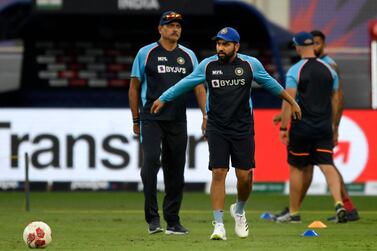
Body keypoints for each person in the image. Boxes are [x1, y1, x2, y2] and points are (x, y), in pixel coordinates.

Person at [150, 27, 302, 240]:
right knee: (219, 172)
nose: (220, 48)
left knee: (245, 176)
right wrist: (164, 97)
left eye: (225, 44)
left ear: (236, 46)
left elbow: (270, 83)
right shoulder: (208, 65)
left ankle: (239, 210)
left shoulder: (250, 64)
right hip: (217, 127)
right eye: (218, 44)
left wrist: (292, 102)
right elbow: (186, 83)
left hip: (243, 127)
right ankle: (218, 225)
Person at [128, 11, 207, 235]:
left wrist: (205, 115)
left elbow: (199, 87)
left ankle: (172, 221)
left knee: (176, 171)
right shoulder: (146, 53)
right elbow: (134, 88)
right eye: (170, 25)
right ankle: (153, 218)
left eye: (178, 26)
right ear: (160, 29)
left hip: (177, 120)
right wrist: (135, 118)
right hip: (151, 118)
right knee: (151, 163)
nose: (175, 29)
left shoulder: (189, 55)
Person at [273, 30, 359, 222]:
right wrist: (334, 126)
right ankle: (339, 204)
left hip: (301, 127)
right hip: (323, 127)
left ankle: (293, 213)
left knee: (296, 168)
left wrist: (284, 127)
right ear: (314, 45)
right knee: (327, 165)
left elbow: (288, 100)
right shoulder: (330, 69)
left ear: (298, 47)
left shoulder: (295, 70)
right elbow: (337, 100)